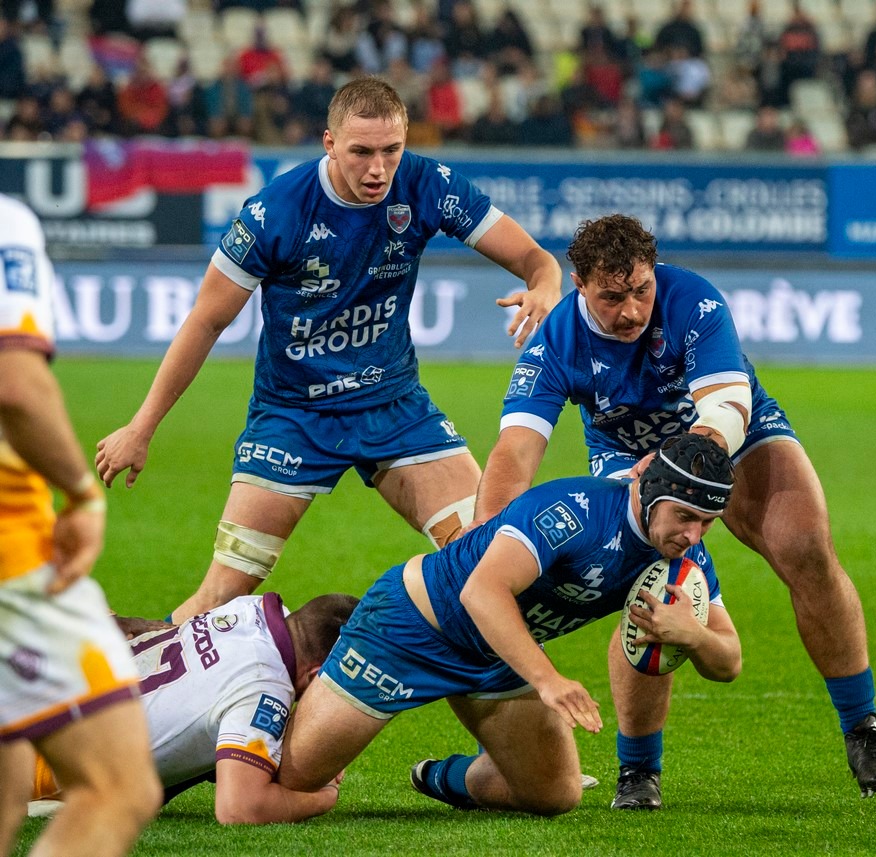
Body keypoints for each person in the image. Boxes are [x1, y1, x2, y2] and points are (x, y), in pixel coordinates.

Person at [473, 214, 876, 809]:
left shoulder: (694, 301)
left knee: (805, 545)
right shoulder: (554, 343)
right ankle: (638, 773)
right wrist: (483, 537)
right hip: (628, 459)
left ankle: (864, 729)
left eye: (641, 290)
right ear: (578, 285)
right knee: (655, 592)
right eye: (611, 297)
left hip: (734, 434)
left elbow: (728, 407)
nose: (631, 310)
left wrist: (677, 461)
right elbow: (515, 450)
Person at [95, 77, 562, 625]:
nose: (377, 170)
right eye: (361, 152)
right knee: (220, 595)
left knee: (488, 560)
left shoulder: (427, 183)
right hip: (293, 415)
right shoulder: (275, 212)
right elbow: (206, 321)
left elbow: (536, 259)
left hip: (394, 407)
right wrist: (141, 427)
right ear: (329, 143)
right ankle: (149, 694)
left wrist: (545, 284)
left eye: (391, 151)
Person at [275, 434, 742, 816]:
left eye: (707, 523)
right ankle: (234, 716)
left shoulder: (686, 556)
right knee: (293, 781)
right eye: (684, 517)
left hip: (495, 650)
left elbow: (729, 662)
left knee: (555, 795)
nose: (693, 536)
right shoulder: (575, 511)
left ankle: (440, 777)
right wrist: (548, 680)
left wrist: (694, 635)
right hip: (413, 625)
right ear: (649, 493)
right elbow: (481, 592)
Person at [0, 193, 161, 857]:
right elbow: (15, 383)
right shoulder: (7, 221)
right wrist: (80, 494)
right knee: (117, 782)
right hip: (13, 558)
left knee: (10, 779)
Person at [27, 592, 357, 825]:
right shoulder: (263, 689)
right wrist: (322, 797)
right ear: (316, 675)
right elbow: (239, 808)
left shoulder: (249, 608)